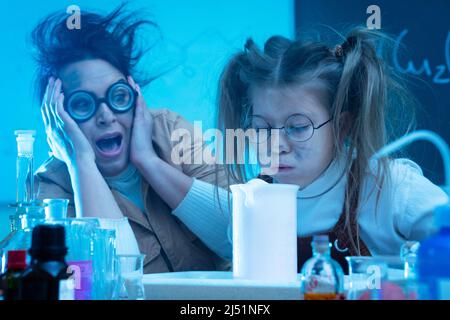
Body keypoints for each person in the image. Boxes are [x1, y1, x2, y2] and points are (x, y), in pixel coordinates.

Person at [194, 27, 449, 271]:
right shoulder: (254, 201)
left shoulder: (390, 187)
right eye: (262, 128)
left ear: (341, 126)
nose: (276, 146)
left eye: (298, 127)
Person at [31, 5, 231, 273]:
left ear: (133, 94)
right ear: (58, 116)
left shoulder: (171, 131)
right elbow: (113, 282)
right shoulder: (51, 189)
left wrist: (148, 161)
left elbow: (236, 237)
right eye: (82, 104)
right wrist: (81, 163)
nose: (105, 115)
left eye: (118, 96)